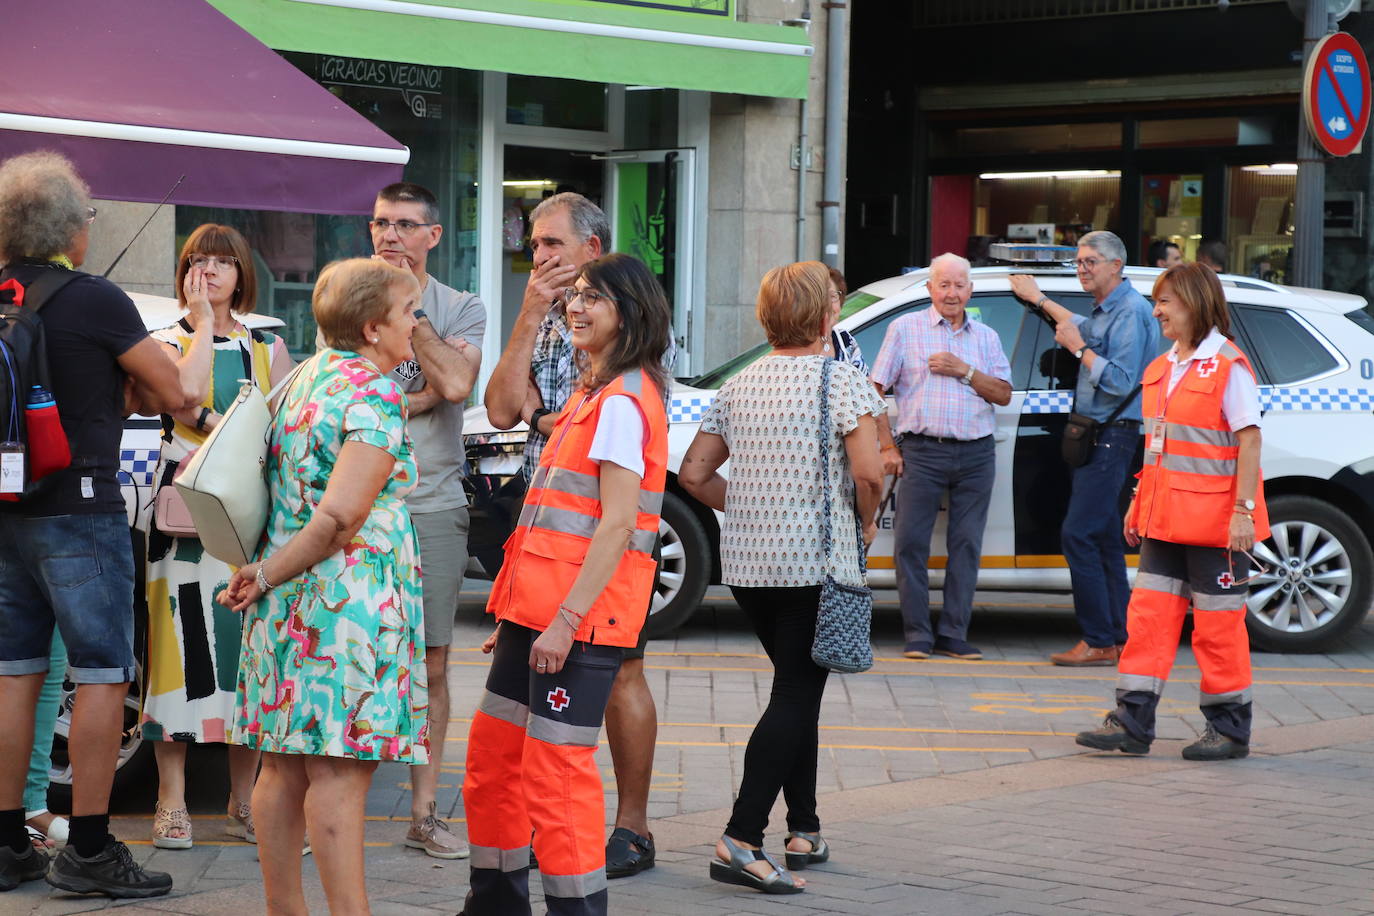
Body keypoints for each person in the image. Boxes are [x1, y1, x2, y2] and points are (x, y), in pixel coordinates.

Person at [0, 150, 189, 897]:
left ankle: (8, 842)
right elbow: (173, 389)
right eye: (89, 216)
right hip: (80, 512)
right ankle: (89, 848)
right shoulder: (96, 298)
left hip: (7, 509)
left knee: (14, 673)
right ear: (68, 227)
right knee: (104, 671)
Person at [464, 252, 671, 916]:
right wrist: (516, 617)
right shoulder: (592, 394)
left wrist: (561, 622)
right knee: (493, 763)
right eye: (575, 295)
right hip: (535, 617)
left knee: (556, 781)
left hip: (577, 625)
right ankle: (494, 902)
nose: (576, 307)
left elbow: (615, 528)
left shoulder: (622, 401)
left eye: (595, 299)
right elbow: (549, 525)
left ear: (631, 314)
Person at [220, 258, 427, 915]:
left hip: (284, 607)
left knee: (280, 767)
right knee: (339, 775)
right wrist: (267, 573)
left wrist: (262, 573)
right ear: (372, 327)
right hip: (347, 612)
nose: (417, 325)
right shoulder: (374, 392)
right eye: (409, 313)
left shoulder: (303, 377)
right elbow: (340, 516)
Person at [680, 260, 884, 896]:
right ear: (826, 318)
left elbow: (693, 475)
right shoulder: (842, 380)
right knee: (796, 693)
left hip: (749, 567)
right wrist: (867, 521)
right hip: (815, 566)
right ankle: (741, 837)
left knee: (798, 689)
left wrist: (743, 507)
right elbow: (870, 474)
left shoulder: (738, 385)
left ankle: (804, 827)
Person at [142, 224, 293, 851]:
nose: (208, 272)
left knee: (243, 656)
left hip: (245, 524)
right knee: (176, 654)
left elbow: (282, 420)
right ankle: (170, 800)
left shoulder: (267, 342)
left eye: (222, 262)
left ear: (242, 272)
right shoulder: (164, 340)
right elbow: (179, 393)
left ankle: (244, 799)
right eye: (196, 261)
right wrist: (203, 323)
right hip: (182, 522)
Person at [1076, 262, 1266, 761]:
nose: (1156, 311)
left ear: (1195, 304)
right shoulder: (1162, 368)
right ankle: (1131, 722)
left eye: (1165, 302)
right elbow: (1157, 450)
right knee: (1148, 623)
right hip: (1165, 521)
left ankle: (1228, 730)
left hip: (1217, 528)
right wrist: (1139, 504)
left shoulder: (1228, 365)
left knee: (1218, 629)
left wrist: (1243, 512)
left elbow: (1249, 442)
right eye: (1157, 301)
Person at [367, 181, 484, 859]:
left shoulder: (460, 307)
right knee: (353, 651)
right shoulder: (349, 293)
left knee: (432, 664)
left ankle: (423, 814)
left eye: (405, 226)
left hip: (431, 502)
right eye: (381, 224)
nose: (390, 237)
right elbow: (342, 383)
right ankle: (329, 801)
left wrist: (411, 315)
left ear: (432, 236)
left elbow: (457, 386)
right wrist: (415, 397)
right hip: (356, 503)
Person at [1010, 231, 1160, 667]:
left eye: (1091, 261)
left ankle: (1098, 638)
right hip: (1103, 432)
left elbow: (1118, 379)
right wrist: (1038, 300)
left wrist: (1078, 350)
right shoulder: (1109, 309)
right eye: (1079, 261)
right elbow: (1079, 326)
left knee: (1078, 534)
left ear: (1116, 266)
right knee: (1104, 539)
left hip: (1113, 434)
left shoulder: (1131, 311)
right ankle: (1117, 636)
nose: (1082, 267)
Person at [871, 253, 1012, 661]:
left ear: (970, 290)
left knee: (966, 545)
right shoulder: (904, 329)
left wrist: (964, 371)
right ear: (930, 289)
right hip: (922, 451)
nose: (951, 293)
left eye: (959, 285)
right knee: (910, 543)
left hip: (977, 453)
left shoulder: (986, 337)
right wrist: (886, 445)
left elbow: (1002, 393)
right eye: (944, 284)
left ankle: (953, 633)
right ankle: (917, 634)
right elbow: (873, 390)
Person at [826, 267, 866, 374]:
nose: (827, 305)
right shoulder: (796, 342)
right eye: (820, 297)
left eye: (832, 296)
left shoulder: (845, 340)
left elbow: (865, 386)